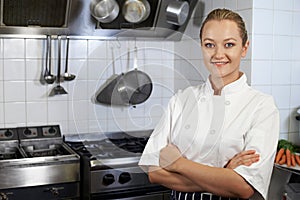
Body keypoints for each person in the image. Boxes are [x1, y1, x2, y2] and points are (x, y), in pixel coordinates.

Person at [138, 8, 279, 200]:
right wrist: (224, 173)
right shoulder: (181, 99)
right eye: (210, 45)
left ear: (244, 48)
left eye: (229, 44)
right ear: (202, 47)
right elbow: (154, 172)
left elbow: (244, 187)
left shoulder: (261, 106)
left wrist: (178, 163)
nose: (218, 54)